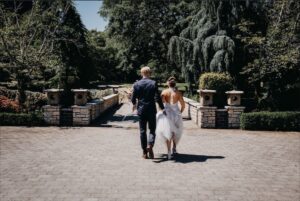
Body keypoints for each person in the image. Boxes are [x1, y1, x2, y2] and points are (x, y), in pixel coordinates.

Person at [131, 67, 165, 159]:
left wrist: (134, 104)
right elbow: (157, 97)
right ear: (149, 73)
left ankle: (144, 152)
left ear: (141, 73)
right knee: (152, 129)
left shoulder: (137, 84)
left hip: (141, 110)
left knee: (142, 131)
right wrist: (162, 108)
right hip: (151, 109)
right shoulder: (153, 83)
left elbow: (133, 98)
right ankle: (150, 145)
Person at [156, 77, 185, 160]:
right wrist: (180, 112)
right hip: (176, 114)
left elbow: (161, 104)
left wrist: (161, 111)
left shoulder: (164, 92)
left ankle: (168, 152)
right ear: (175, 84)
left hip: (167, 113)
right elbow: (183, 105)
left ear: (168, 84)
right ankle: (174, 148)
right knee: (176, 132)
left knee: (167, 132)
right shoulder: (178, 93)